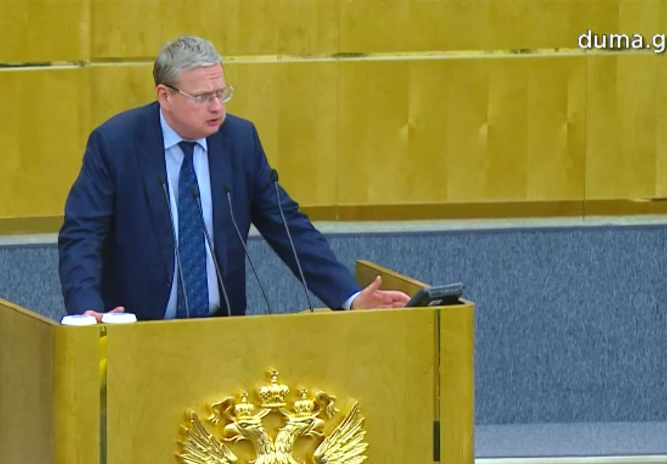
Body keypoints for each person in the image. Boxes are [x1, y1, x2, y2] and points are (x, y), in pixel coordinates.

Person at [59, 35, 408, 321]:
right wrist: (87, 311)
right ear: (164, 96)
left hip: (222, 331)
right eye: (202, 97)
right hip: (136, 331)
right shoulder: (116, 144)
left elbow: (289, 228)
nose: (217, 107)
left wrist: (349, 297)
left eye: (221, 93)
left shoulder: (239, 142)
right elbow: (82, 235)